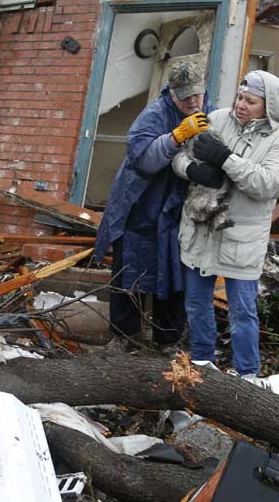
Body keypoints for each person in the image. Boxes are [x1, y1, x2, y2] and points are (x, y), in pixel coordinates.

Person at [173, 70, 279, 378]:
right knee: (197, 303)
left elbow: (269, 184)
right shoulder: (217, 119)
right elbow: (179, 158)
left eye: (251, 101)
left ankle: (247, 374)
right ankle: (202, 364)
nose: (241, 105)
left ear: (267, 107)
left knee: (242, 312)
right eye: (240, 97)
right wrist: (193, 171)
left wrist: (226, 159)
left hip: (242, 237)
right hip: (203, 229)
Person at [94, 61, 216, 352]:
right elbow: (144, 159)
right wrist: (175, 137)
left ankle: (167, 339)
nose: (192, 101)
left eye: (196, 94)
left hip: (179, 209)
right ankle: (125, 336)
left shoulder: (211, 112)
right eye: (185, 95)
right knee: (130, 269)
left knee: (174, 270)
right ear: (171, 92)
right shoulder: (154, 114)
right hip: (141, 205)